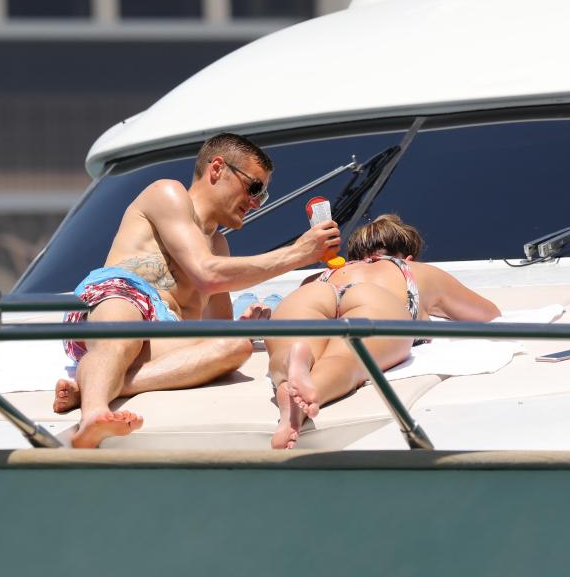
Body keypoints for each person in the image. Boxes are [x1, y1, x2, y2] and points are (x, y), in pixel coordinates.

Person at [55, 132, 341, 448]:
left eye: (262, 195)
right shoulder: (168, 193)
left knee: (236, 347)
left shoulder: (219, 245)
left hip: (162, 337)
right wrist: (298, 254)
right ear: (217, 168)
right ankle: (94, 414)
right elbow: (206, 274)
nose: (255, 202)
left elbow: (216, 329)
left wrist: (241, 329)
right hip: (119, 298)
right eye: (254, 188)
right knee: (123, 324)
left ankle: (102, 385)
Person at [265, 214, 500, 449]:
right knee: (348, 359)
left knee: (288, 345)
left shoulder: (317, 277)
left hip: (317, 291)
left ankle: (293, 361)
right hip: (374, 299)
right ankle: (303, 401)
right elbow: (489, 314)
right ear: (409, 257)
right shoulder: (416, 270)